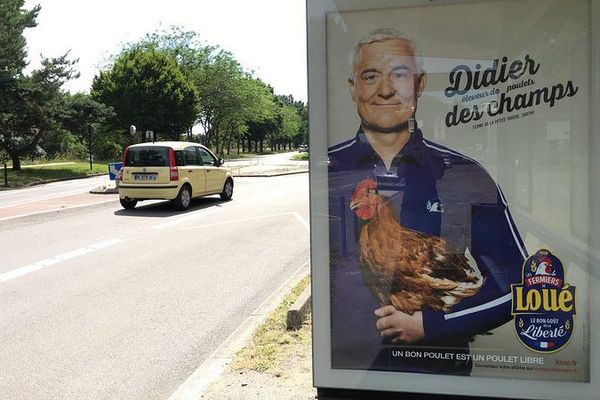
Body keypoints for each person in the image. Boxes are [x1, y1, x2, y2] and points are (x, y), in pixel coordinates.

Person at [327, 28, 527, 375]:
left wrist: (431, 325)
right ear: (353, 87)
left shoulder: (463, 173)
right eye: (371, 75)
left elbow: (520, 285)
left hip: (438, 377)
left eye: (399, 74)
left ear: (419, 85)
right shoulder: (327, 170)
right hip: (351, 376)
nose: (386, 88)